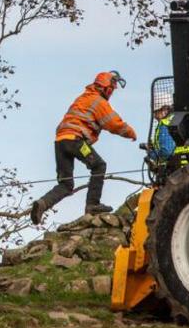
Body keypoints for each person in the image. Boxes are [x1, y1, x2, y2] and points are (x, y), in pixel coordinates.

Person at [30, 71, 137, 224]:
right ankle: (92, 205)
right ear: (105, 88)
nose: (112, 93)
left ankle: (42, 204)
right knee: (99, 165)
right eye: (111, 90)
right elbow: (114, 124)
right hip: (75, 141)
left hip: (61, 142)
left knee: (66, 185)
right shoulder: (99, 102)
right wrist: (131, 133)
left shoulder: (82, 98)